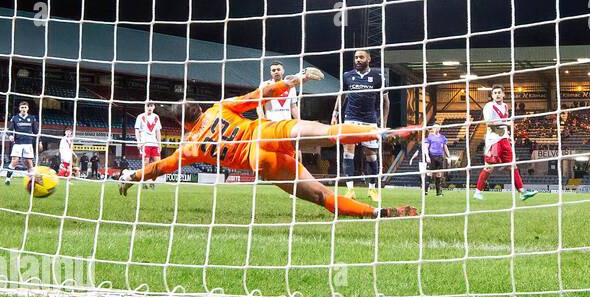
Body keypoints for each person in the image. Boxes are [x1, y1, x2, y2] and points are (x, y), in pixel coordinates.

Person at [119, 68, 415, 219]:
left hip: (261, 162)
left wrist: (133, 175)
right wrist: (294, 80)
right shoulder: (219, 108)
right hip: (268, 132)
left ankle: (373, 213)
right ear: (198, 108)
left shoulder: (191, 145)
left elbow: (161, 166)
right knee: (326, 131)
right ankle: (383, 133)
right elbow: (259, 95)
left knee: (320, 195)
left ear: (183, 123)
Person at [331, 49, 388, 199]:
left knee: (371, 155)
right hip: (351, 118)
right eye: (356, 57)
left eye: (361, 57)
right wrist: (335, 113)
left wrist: (383, 122)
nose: (358, 60)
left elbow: (386, 102)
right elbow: (341, 96)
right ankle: (350, 190)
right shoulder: (347, 76)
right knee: (348, 152)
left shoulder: (378, 77)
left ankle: (372, 189)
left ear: (368, 59)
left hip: (370, 120)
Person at [475, 87, 535, 201]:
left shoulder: (506, 106)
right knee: (489, 167)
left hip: (504, 139)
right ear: (492, 95)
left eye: (499, 93)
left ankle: (522, 192)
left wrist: (507, 135)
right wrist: (506, 125)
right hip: (493, 140)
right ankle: (478, 191)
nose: (497, 95)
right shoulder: (489, 106)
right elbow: (488, 124)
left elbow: (504, 125)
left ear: (503, 94)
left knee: (512, 166)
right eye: (495, 93)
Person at [2, 100, 39, 184]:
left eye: (25, 107)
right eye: (22, 107)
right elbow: (9, 130)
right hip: (18, 143)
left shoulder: (32, 118)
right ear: (19, 108)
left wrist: (39, 141)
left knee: (29, 163)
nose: (24, 109)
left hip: (28, 143)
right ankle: (8, 179)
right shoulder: (15, 118)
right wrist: (10, 135)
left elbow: (36, 131)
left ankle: (32, 180)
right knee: (14, 161)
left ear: (28, 108)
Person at [134, 102, 163, 190]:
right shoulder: (140, 116)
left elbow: (158, 131)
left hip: (154, 144)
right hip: (145, 143)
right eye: (147, 106)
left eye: (151, 106)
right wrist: (138, 141)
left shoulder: (156, 117)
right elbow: (137, 130)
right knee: (145, 163)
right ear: (145, 107)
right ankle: (143, 181)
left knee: (157, 164)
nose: (149, 108)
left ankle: (153, 182)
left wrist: (159, 143)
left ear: (154, 107)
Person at [418, 122, 451, 196]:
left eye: (438, 127)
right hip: (432, 156)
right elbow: (426, 147)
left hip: (440, 157)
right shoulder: (429, 137)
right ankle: (425, 191)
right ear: (433, 128)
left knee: (439, 174)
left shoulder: (443, 137)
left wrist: (449, 157)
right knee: (429, 173)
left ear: (440, 128)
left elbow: (445, 147)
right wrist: (427, 156)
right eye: (435, 127)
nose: (436, 128)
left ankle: (438, 192)